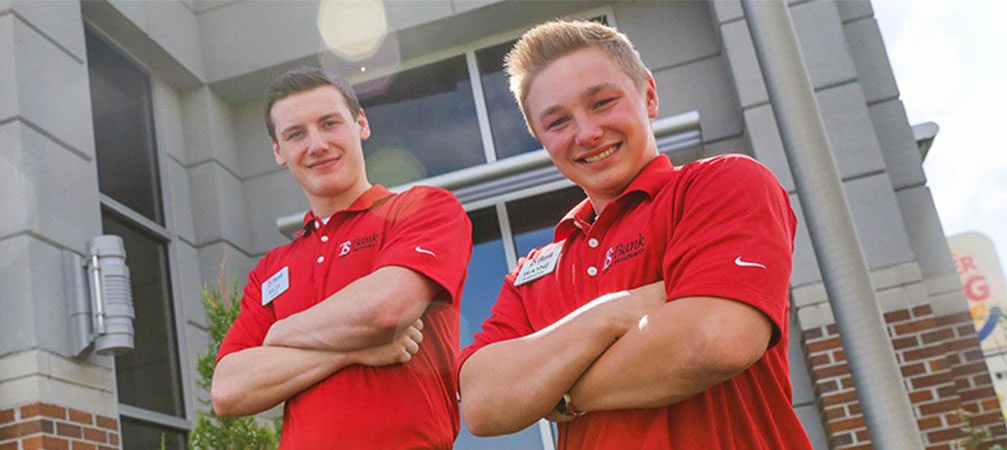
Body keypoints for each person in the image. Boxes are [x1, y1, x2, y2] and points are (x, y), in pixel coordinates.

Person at [457, 20, 812, 449]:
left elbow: (715, 339)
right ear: (540, 139)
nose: (586, 133)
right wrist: (611, 313)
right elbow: (480, 403)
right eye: (557, 122)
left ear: (649, 95)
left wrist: (558, 392)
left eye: (603, 102)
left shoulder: (722, 184)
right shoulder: (531, 276)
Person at [211, 67, 472, 449]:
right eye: (296, 134)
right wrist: (355, 348)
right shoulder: (271, 269)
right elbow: (229, 390)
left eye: (329, 123)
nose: (316, 145)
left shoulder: (422, 208)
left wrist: (278, 333)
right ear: (278, 152)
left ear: (361, 123)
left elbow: (386, 311)